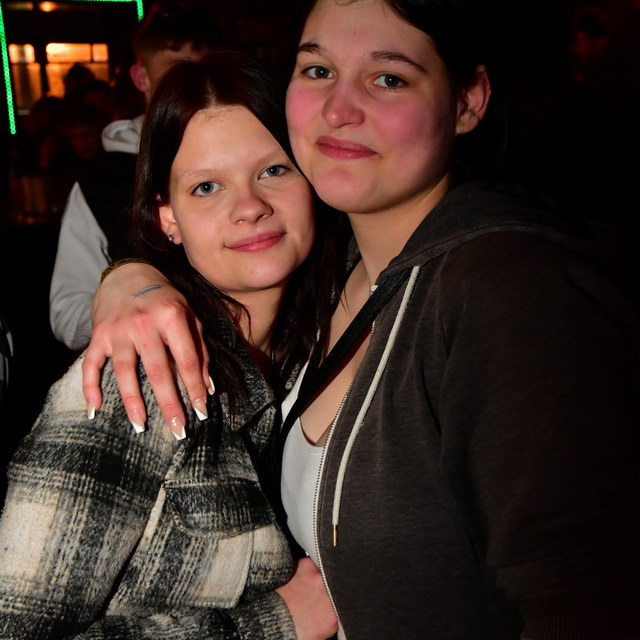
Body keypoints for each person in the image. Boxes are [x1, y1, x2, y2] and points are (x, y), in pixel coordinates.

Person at [83, 0, 640, 638]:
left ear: (468, 102)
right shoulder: (329, 275)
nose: (338, 109)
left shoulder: (511, 291)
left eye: (388, 78)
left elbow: (586, 597)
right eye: (318, 70)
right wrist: (131, 278)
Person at [0, 52, 341, 640]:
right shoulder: (135, 378)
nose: (250, 206)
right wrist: (274, 624)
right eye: (206, 187)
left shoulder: (322, 345)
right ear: (167, 218)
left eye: (274, 170)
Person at [49, 2, 223, 351]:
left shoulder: (247, 156)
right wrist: (124, 302)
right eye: (177, 73)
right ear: (141, 78)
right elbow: (67, 315)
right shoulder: (101, 182)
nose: (196, 86)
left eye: (209, 70)